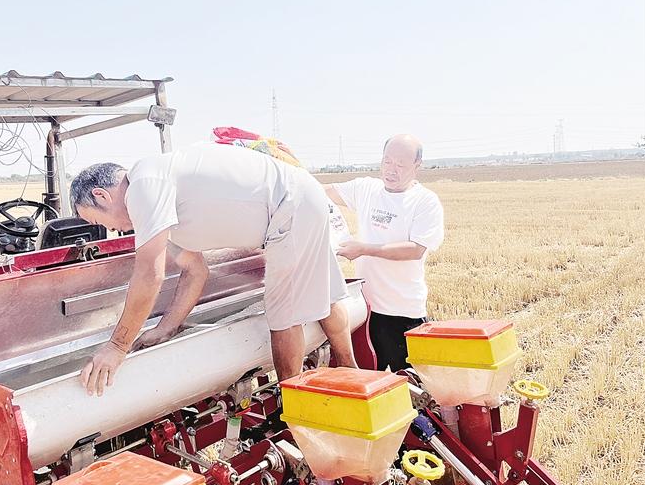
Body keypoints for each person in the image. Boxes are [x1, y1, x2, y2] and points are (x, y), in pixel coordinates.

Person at [70, 142, 357, 396]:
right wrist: (166, 328)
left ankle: (295, 406)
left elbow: (149, 274)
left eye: (98, 221)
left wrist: (117, 347)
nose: (109, 230)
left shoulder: (144, 183)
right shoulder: (159, 202)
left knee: (284, 314)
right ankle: (351, 371)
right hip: (302, 197)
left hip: (288, 206)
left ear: (102, 196)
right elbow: (195, 271)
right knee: (325, 296)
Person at [324, 134, 444, 372]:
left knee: (412, 387)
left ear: (417, 167)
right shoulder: (367, 189)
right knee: (368, 382)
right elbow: (323, 192)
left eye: (401, 165)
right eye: (387, 162)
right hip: (364, 311)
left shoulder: (424, 202)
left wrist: (363, 249)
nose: (392, 170)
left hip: (403, 311)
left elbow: (415, 249)